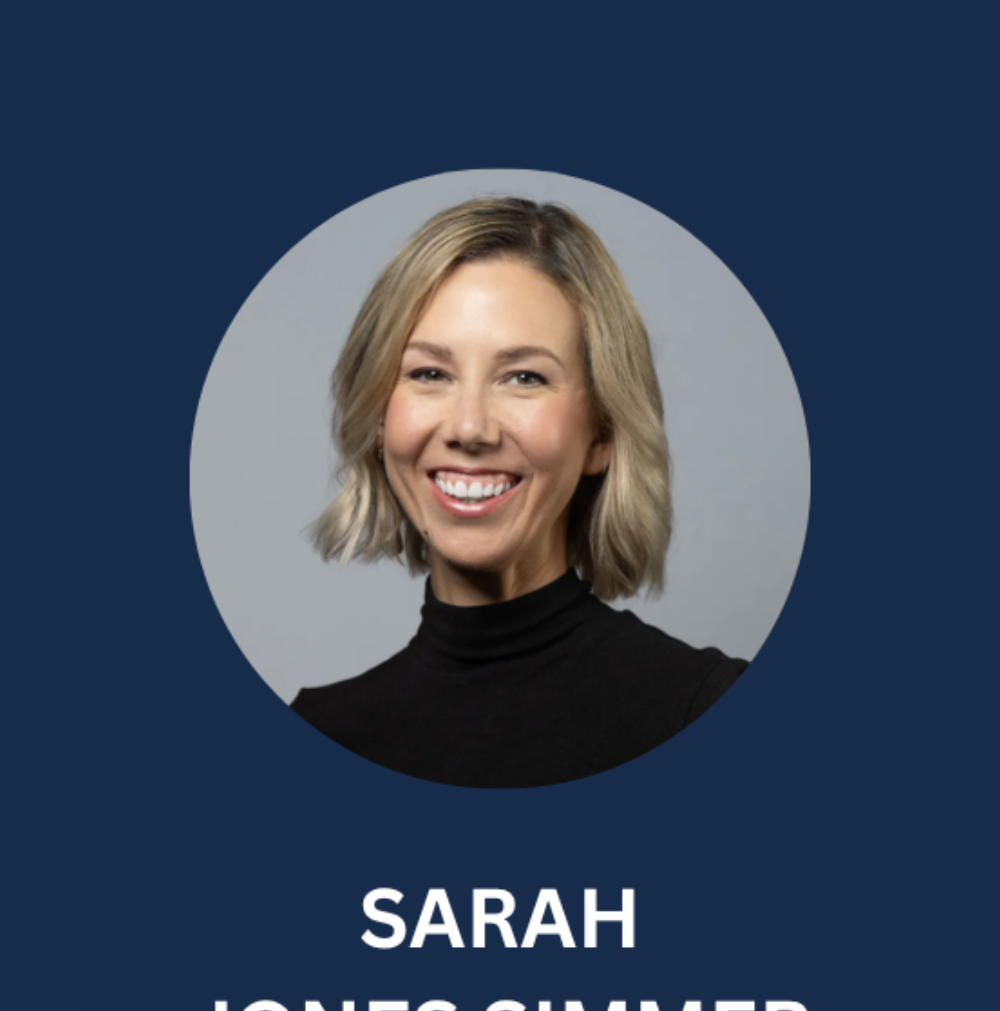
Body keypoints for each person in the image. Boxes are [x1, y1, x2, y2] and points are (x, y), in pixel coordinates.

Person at [291, 197, 747, 787]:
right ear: (378, 420)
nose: (469, 428)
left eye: (524, 377)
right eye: (429, 373)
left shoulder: (704, 711)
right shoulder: (321, 732)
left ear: (601, 433)